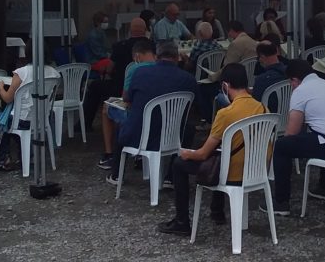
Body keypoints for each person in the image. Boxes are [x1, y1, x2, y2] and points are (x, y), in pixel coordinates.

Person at [157, 64, 266, 236]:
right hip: (256, 170)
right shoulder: (263, 108)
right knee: (222, 154)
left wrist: (187, 153)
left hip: (233, 173)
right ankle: (216, 212)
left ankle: (182, 221)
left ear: (225, 85)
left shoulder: (226, 113)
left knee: (180, 164)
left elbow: (203, 154)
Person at [264, 59, 325, 215]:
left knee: (282, 146)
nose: (291, 86)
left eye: (290, 83)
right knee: (320, 133)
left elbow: (292, 132)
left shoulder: (301, 91)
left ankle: (281, 202)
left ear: (295, 80)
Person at [103, 40, 198, 183]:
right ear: (177, 56)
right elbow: (193, 107)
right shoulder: (188, 79)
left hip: (140, 135)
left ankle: (117, 173)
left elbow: (127, 100)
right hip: (173, 136)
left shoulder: (140, 73)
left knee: (121, 127)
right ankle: (171, 176)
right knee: (189, 128)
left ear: (157, 56)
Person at [0, 46, 58, 171]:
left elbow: (7, 98)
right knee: (13, 118)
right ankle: (27, 156)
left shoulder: (22, 72)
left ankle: (3, 158)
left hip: (23, 120)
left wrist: (0, 88)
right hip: (43, 119)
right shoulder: (53, 72)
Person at [82, 17, 147, 129]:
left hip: (120, 89)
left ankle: (85, 123)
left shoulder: (120, 46)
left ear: (130, 31)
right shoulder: (152, 46)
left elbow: (109, 69)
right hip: (146, 87)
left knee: (95, 86)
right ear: (145, 30)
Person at [85, 11, 113, 75]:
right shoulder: (93, 35)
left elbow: (106, 47)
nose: (107, 24)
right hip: (94, 61)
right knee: (113, 63)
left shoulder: (102, 32)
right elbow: (98, 53)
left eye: (107, 22)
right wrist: (109, 55)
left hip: (101, 58)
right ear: (98, 23)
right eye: (105, 22)